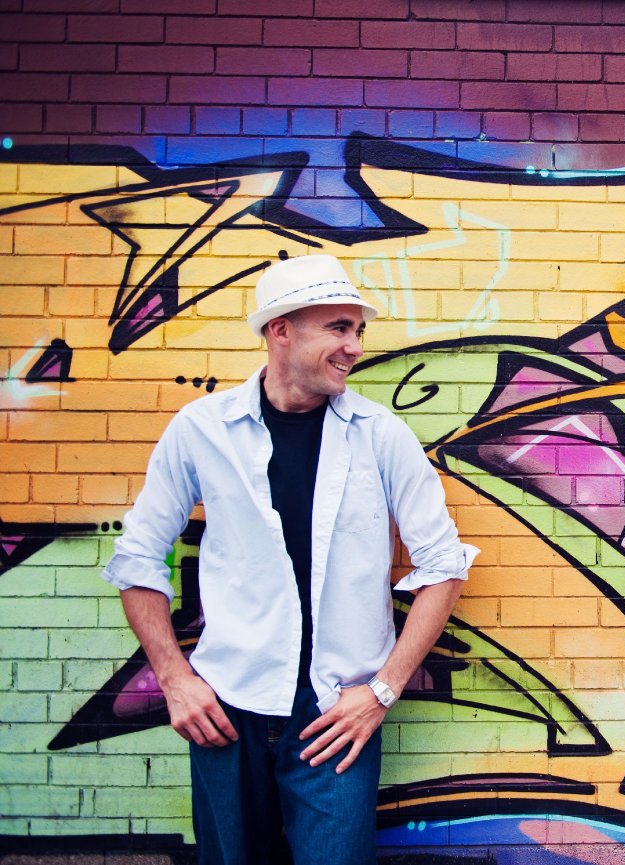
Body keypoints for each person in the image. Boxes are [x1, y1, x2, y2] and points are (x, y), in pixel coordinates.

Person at [101, 254, 478, 865]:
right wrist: (174, 680)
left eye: (358, 330)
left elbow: (444, 566)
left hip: (338, 711)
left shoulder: (380, 435)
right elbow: (137, 558)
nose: (355, 347)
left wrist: (381, 691)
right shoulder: (203, 430)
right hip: (227, 703)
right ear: (280, 330)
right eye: (338, 328)